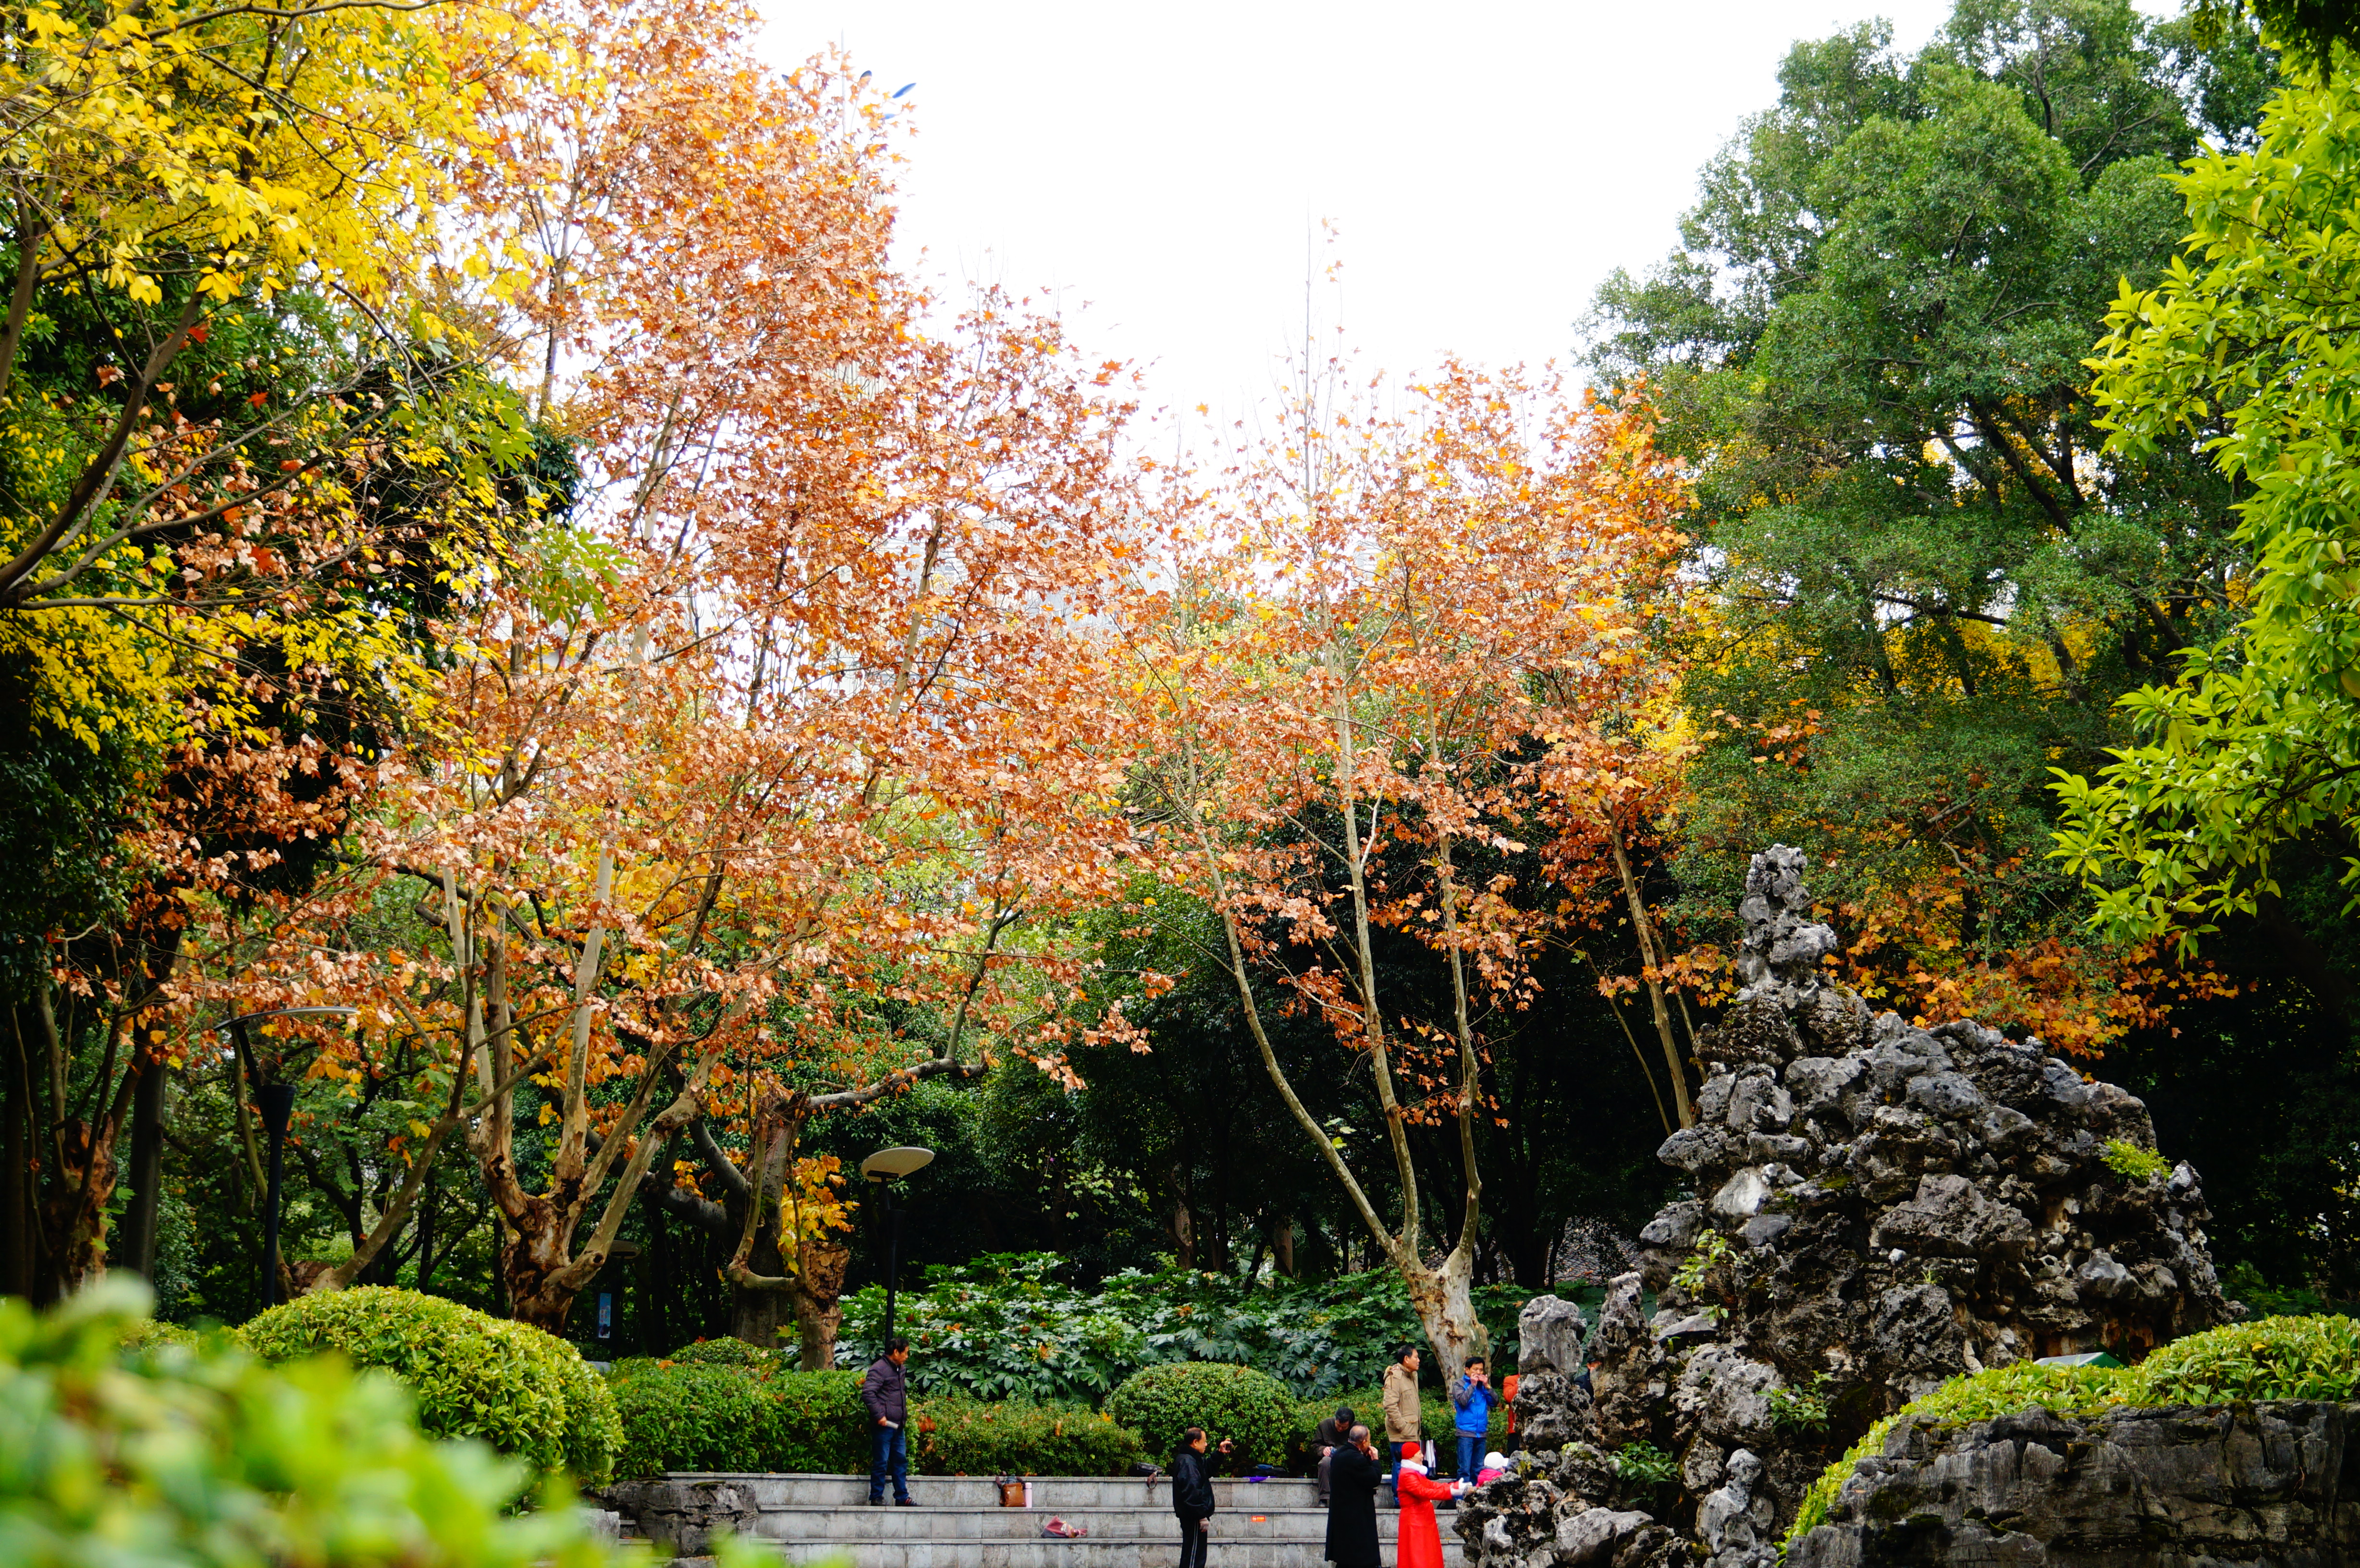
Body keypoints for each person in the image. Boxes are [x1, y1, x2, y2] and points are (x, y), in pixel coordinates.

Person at [1393, 1440, 1467, 1568]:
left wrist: (1454, 1486)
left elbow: (1431, 1485)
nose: (1423, 1456)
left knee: (1426, 1553)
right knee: (1419, 1555)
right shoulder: (1407, 1475)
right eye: (1420, 1453)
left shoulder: (1413, 1473)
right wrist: (1452, 1491)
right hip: (1415, 1520)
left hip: (1421, 1518)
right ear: (1411, 1456)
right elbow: (1423, 1492)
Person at [1169, 1425, 1234, 1568]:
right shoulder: (1188, 1462)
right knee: (1193, 1557)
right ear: (1195, 1442)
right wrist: (1201, 1516)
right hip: (1193, 1517)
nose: (1206, 1444)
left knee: (1195, 1555)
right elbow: (1191, 1491)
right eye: (1204, 1441)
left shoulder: (1193, 1459)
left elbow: (1207, 1469)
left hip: (1194, 1516)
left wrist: (1219, 1453)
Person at [861, 1336, 915, 1507]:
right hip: (884, 1426)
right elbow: (868, 1393)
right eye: (905, 1353)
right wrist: (879, 1415)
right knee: (882, 1461)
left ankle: (902, 1497)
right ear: (896, 1352)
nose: (907, 1356)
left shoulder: (900, 1369)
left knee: (900, 1460)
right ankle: (876, 1497)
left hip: (898, 1425)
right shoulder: (879, 1369)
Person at [1323, 1424, 1383, 1568]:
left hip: (1343, 1512)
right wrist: (1375, 1460)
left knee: (1345, 1560)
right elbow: (1373, 1478)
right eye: (1368, 1440)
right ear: (1364, 1442)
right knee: (1358, 1558)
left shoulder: (1341, 1454)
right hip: (1355, 1516)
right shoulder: (1355, 1459)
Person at [1381, 1345, 1421, 1495]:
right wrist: (1403, 1427)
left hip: (1412, 1432)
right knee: (1400, 1466)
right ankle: (1399, 1499)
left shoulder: (1412, 1376)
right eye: (1415, 1357)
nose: (1418, 1360)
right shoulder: (1395, 1377)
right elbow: (1390, 1406)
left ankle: (1408, 1497)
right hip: (1401, 1434)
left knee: (1410, 1466)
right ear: (1406, 1359)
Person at [1450, 1356, 1496, 1482]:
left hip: (1481, 1432)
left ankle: (1476, 1497)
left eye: (1481, 1370)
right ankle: (1461, 1499)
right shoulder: (1459, 1384)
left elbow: (1495, 1402)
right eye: (1475, 1369)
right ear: (1467, 1370)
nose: (1479, 1373)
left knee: (1478, 1469)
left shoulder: (1483, 1386)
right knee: (1464, 1469)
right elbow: (1463, 1401)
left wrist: (1487, 1386)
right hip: (1465, 1432)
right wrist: (1472, 1385)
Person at [1313, 1404, 1355, 1507]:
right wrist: (1323, 1450)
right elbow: (1315, 1446)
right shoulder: (1324, 1425)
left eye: (1344, 1427)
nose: (1341, 1429)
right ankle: (1325, 1498)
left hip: (1348, 1457)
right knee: (1325, 1463)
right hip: (1330, 1458)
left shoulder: (1356, 1429)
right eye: (1338, 1425)